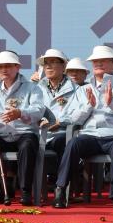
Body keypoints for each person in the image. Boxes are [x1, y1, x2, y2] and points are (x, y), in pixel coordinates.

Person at [53, 45, 113, 211]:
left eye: (103, 60)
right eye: (95, 61)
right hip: (90, 135)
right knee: (73, 144)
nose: (98, 63)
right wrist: (88, 106)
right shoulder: (84, 90)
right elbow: (72, 119)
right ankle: (61, 189)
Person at [0, 51, 45, 206]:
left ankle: (25, 191)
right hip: (0, 134)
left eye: (8, 66)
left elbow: (39, 110)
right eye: (0, 67)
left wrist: (20, 113)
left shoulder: (32, 88)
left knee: (28, 145)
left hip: (24, 132)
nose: (4, 69)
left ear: (17, 67)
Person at [35, 49, 80, 181]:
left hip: (63, 132)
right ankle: (26, 188)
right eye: (46, 63)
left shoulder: (76, 89)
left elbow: (78, 112)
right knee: (25, 142)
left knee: (63, 142)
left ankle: (61, 185)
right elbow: (32, 109)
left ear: (64, 66)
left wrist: (59, 122)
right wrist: (39, 120)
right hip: (40, 133)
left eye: (53, 62)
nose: (48, 66)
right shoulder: (36, 88)